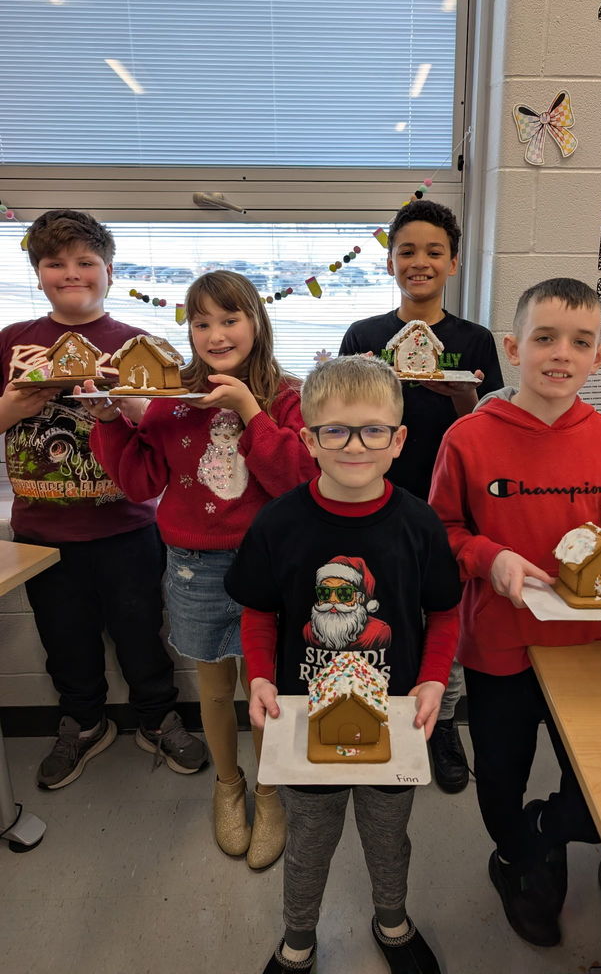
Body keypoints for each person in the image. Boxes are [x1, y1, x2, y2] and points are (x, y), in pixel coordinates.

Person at [429, 278, 601, 947]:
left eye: (580, 341)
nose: (560, 353)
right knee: (501, 770)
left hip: (590, 642)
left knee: (590, 782)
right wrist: (489, 558)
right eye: (543, 337)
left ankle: (546, 832)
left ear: (598, 358)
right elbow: (442, 531)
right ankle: (514, 856)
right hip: (501, 646)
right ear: (513, 347)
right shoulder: (467, 438)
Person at [224, 354, 461, 974]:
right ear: (309, 439)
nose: (355, 445)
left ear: (398, 439)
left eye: (373, 429)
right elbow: (259, 614)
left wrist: (435, 677)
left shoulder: (419, 525)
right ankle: (298, 938)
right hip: (305, 725)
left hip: (395, 724)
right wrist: (260, 675)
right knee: (309, 841)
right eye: (336, 431)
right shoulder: (278, 524)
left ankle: (393, 921)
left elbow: (444, 613)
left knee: (388, 838)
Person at [85, 270, 318, 867]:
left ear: (256, 321)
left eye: (230, 318)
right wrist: (111, 420)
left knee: (265, 690)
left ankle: (269, 793)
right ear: (187, 329)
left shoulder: (288, 395)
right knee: (215, 689)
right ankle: (228, 784)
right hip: (194, 566)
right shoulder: (172, 397)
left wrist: (246, 408)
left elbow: (298, 482)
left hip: (270, 567)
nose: (216, 334)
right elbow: (140, 481)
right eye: (201, 321)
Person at [0, 208, 207, 789]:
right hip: (41, 534)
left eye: (85, 262)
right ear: (37, 273)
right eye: (55, 263)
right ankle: (85, 722)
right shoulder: (13, 342)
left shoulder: (140, 344)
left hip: (128, 528)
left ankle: (157, 717)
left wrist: (128, 407)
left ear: (110, 271)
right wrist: (15, 408)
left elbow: (170, 435)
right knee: (63, 637)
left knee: (143, 630)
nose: (71, 274)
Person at [339, 199, 503, 793]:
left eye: (434, 251)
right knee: (376, 612)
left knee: (443, 616)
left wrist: (454, 393)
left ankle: (444, 724)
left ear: (454, 262)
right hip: (376, 501)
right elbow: (343, 414)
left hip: (449, 510)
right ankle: (376, 711)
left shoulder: (474, 340)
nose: (420, 262)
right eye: (407, 250)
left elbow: (489, 425)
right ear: (389, 263)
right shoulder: (365, 336)